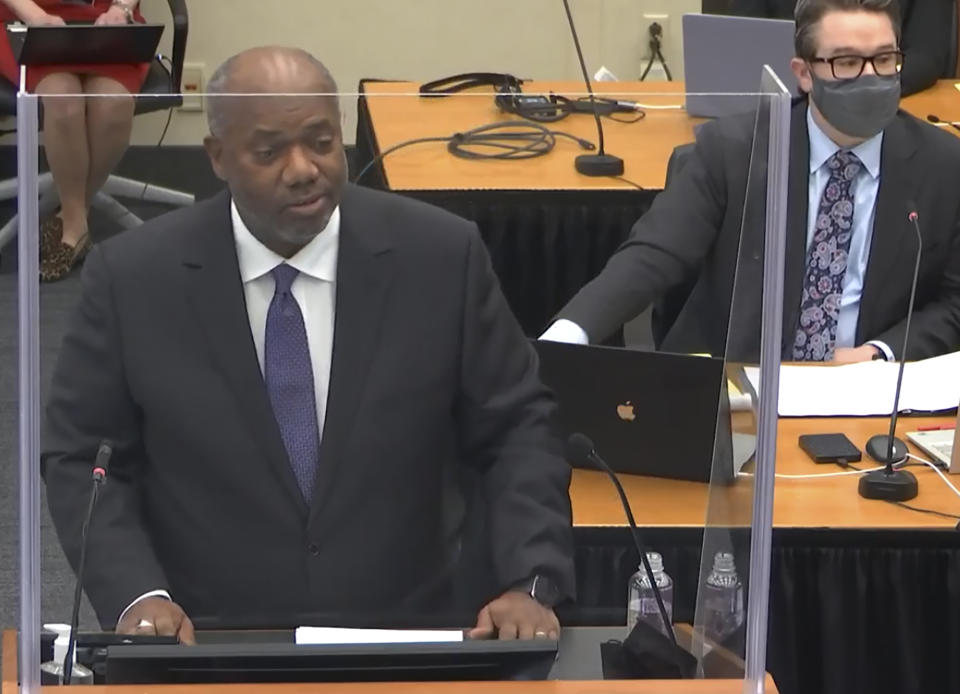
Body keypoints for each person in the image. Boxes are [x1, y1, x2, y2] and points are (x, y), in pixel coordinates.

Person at [42, 46, 575, 643]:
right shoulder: (134, 278)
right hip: (205, 637)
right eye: (269, 151)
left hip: (413, 630)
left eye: (321, 142)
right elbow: (84, 456)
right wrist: (136, 595)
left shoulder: (442, 258)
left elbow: (518, 429)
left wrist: (529, 581)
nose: (303, 168)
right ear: (217, 157)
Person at [543, 0, 960, 363]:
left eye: (884, 60)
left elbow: (954, 303)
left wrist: (879, 354)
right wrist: (571, 332)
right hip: (740, 388)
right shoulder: (734, 150)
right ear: (804, 74)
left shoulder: (943, 164)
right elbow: (654, 253)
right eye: (847, 62)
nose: (870, 77)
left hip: (867, 390)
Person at [0, 0, 149, 281]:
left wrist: (122, 9)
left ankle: (72, 218)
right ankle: (74, 227)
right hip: (27, 19)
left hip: (106, 21)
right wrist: (35, 15)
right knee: (63, 100)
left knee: (114, 104)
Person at [722, 0, 957, 96]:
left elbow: (926, 56)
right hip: (780, 99)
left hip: (888, 104)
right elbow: (743, 39)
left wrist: (863, 89)